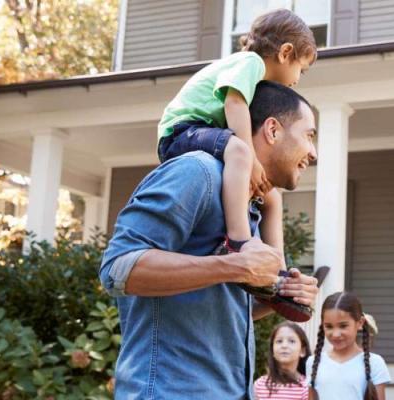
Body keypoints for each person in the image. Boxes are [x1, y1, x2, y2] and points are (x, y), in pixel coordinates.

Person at [99, 81, 319, 399]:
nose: (313, 152)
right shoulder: (196, 173)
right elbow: (118, 268)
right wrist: (236, 265)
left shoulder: (250, 209)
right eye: (309, 135)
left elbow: (219, 302)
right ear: (273, 130)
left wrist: (279, 295)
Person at [156, 9, 317, 313]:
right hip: (181, 131)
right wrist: (250, 155)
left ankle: (278, 275)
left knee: (271, 196)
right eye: (301, 69)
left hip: (200, 132)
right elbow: (234, 103)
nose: (297, 79)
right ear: (285, 53)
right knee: (239, 152)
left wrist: (276, 288)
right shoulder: (249, 63)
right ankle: (240, 241)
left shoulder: (251, 75)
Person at [307, 292, 391, 400]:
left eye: (343, 326)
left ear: (360, 323)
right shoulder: (313, 362)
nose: (336, 334)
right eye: (329, 326)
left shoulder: (375, 363)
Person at [255, 322, 311, 400]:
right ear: (272, 351)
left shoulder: (307, 387)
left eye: (291, 341)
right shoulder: (260, 385)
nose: (284, 346)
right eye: (279, 341)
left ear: (302, 351)